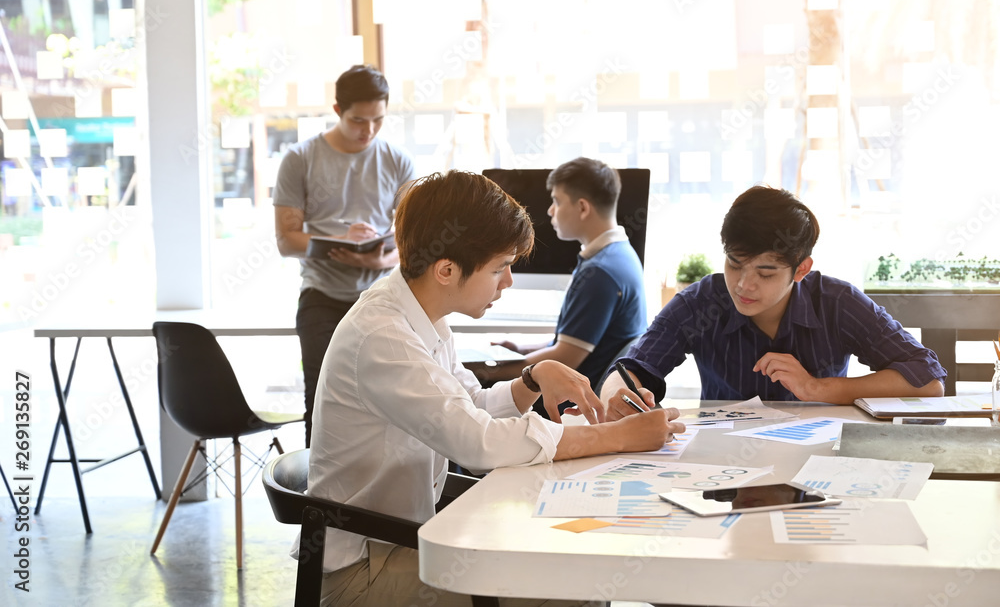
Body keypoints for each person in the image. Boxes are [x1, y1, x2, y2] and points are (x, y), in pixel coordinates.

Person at [306, 170, 684, 606]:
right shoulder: (382, 336)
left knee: (572, 563)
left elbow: (471, 405)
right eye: (500, 268)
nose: (507, 283)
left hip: (405, 541)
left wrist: (532, 379)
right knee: (574, 585)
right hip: (364, 572)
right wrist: (616, 437)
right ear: (447, 269)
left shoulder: (422, 316)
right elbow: (477, 443)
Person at [600, 185, 946, 418]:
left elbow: (927, 380)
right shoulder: (700, 303)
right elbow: (633, 368)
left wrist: (816, 388)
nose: (743, 285)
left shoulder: (836, 303)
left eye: (765, 273)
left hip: (816, 471)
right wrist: (617, 396)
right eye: (734, 265)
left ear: (801, 270)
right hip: (726, 471)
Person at [273, 64, 415, 446]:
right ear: (337, 110)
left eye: (378, 120)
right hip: (322, 299)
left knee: (394, 402)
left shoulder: (398, 161)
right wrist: (341, 238)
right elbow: (286, 240)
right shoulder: (300, 159)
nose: (368, 130)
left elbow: (413, 241)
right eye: (358, 120)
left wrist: (379, 261)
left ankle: (380, 500)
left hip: (383, 298)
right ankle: (314, 500)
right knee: (320, 399)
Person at [478, 157, 647, 417]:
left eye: (556, 201)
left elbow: (564, 359)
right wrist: (520, 349)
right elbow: (573, 342)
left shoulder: (600, 273)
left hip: (566, 406)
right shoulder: (619, 255)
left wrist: (487, 368)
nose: (549, 211)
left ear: (582, 208)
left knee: (474, 390)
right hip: (576, 390)